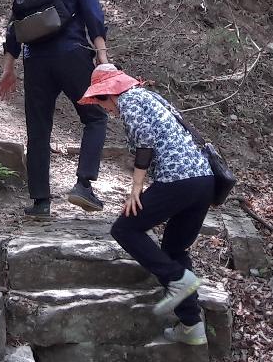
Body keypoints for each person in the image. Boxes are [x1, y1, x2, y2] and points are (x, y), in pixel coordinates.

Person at [79, 63, 213, 346]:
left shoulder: (129, 100)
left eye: (101, 102)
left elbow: (145, 142)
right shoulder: (150, 97)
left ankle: (177, 279)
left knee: (125, 230)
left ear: (108, 94)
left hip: (179, 178)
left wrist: (136, 188)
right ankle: (192, 326)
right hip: (203, 181)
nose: (105, 109)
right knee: (175, 248)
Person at [0, 0, 110, 218]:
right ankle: (83, 185)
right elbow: (93, 13)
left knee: (38, 130)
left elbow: (15, 24)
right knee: (95, 117)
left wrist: (8, 67)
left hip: (35, 61)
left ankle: (40, 203)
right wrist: (103, 59)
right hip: (71, 55)